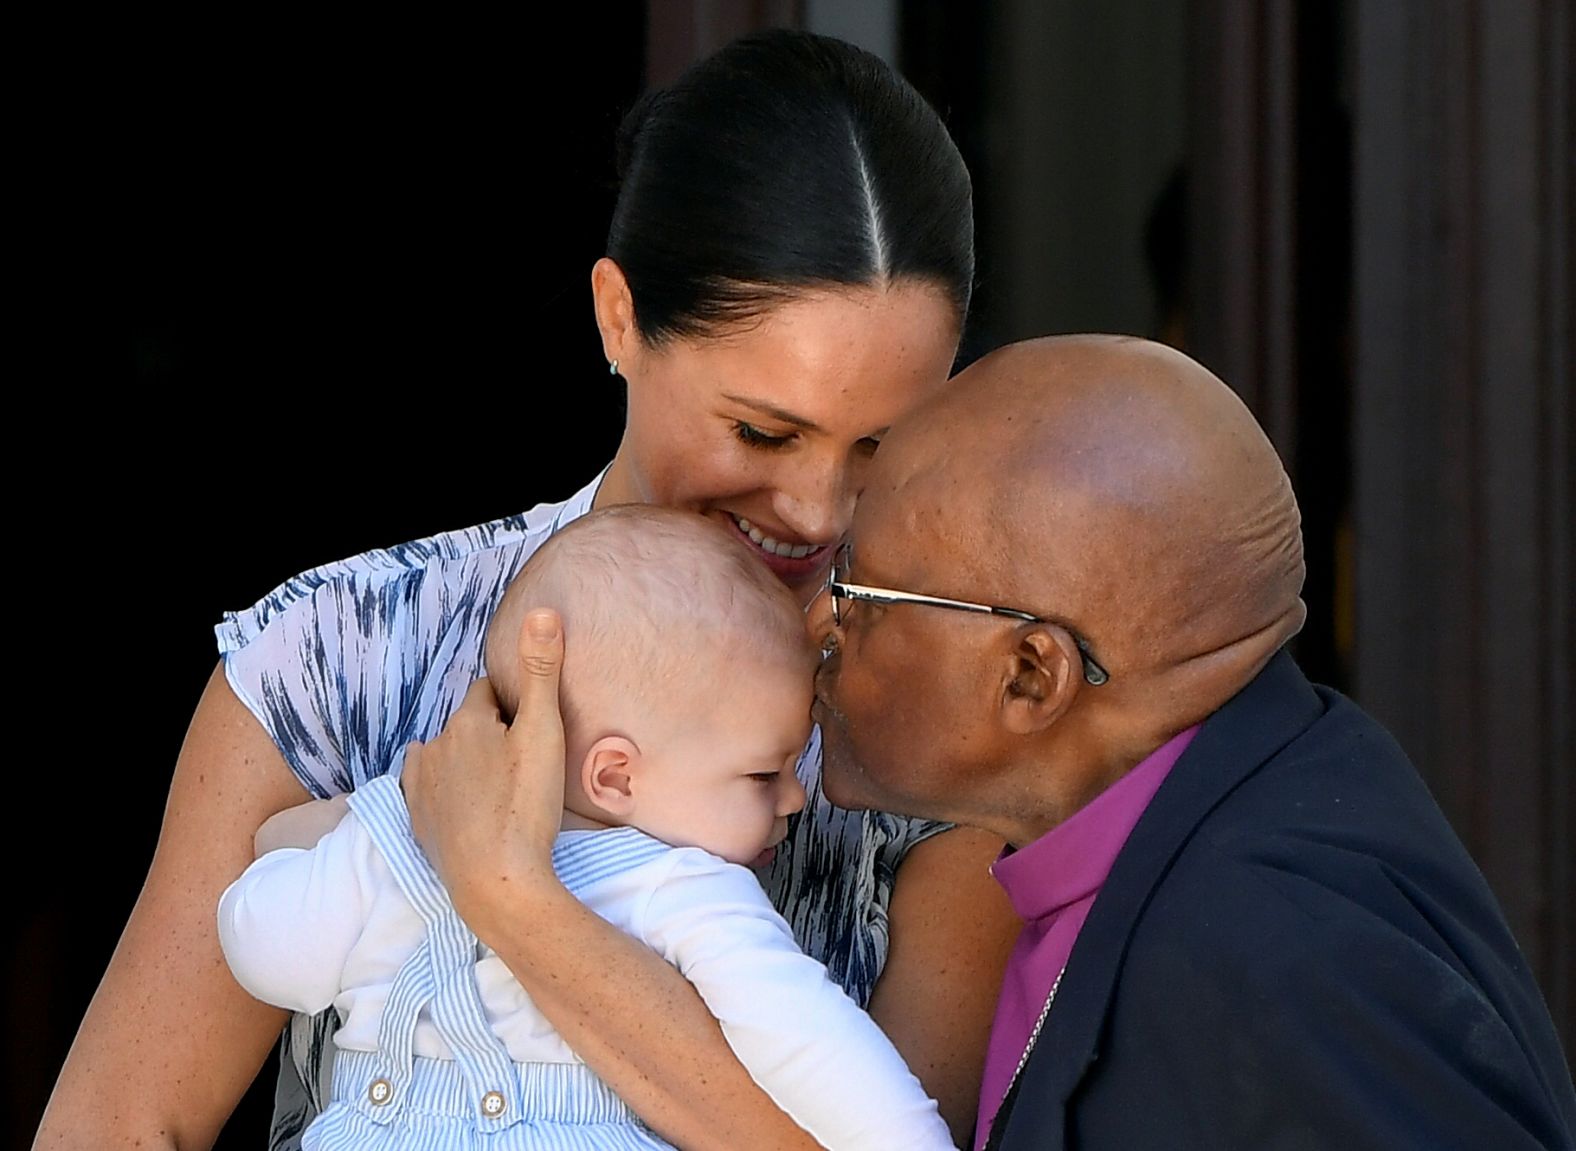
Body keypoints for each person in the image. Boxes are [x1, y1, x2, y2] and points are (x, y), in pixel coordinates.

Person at [37, 29, 1019, 1151]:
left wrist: (513, 898)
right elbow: (121, 1122)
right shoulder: (345, 653)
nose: (817, 509)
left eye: (881, 446)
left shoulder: (948, 722)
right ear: (618, 318)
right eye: (760, 429)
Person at [798, 333, 1575, 1149]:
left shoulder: (1270, 963)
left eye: (859, 591)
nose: (824, 621)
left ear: (1031, 675)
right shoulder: (1241, 802)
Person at [217, 505, 956, 1150]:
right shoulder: (686, 887)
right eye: (764, 773)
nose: (795, 798)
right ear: (615, 776)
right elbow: (816, 1051)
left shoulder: (401, 834)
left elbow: (265, 952)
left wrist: (361, 824)